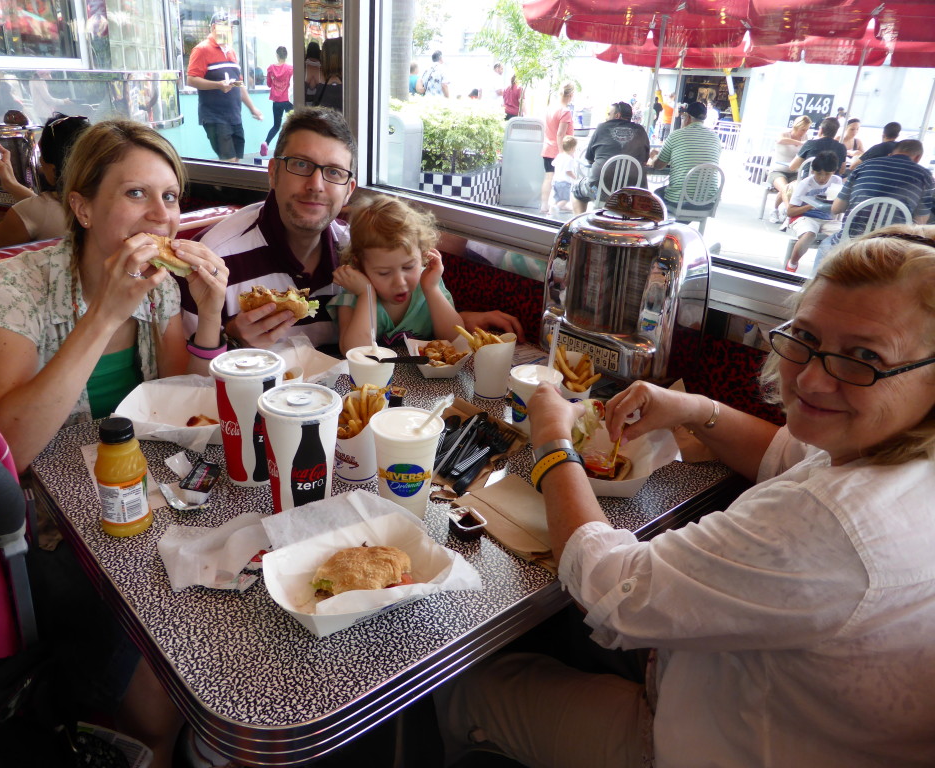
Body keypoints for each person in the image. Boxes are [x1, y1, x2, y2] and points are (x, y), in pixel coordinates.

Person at [443, 224, 935, 767]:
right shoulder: (895, 450)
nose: (813, 381)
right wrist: (697, 410)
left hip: (713, 743)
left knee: (463, 683)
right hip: (746, 684)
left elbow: (607, 588)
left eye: (863, 357)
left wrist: (553, 443)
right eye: (808, 340)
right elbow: (784, 451)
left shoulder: (831, 527)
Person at [0, 119, 228, 767]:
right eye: (137, 194)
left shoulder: (162, 288)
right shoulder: (12, 290)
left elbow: (178, 409)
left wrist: (211, 315)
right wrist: (106, 310)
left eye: (170, 197)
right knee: (159, 713)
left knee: (236, 630)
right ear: (81, 206)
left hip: (150, 505)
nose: (161, 215)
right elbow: (8, 449)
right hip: (45, 530)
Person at [185, 106, 523, 350]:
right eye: (301, 165)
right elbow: (180, 379)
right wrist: (231, 340)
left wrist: (461, 317)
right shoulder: (214, 261)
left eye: (333, 172)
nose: (316, 184)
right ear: (273, 172)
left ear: (348, 189)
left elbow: (396, 310)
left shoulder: (359, 250)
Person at [330, 195, 462, 352]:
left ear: (423, 256)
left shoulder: (429, 283)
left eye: (408, 267)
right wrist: (367, 294)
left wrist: (431, 289)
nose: (400, 282)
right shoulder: (353, 295)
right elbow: (353, 352)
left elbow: (457, 340)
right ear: (361, 266)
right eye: (384, 273)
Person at [0, 114, 90, 249]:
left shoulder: (38, 212)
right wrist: (10, 183)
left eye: (41, 154)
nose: (40, 161)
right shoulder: (95, 197)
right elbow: (45, 210)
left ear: (54, 170)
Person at [815, 139, 933, 264]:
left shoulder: (864, 166)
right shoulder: (925, 176)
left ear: (892, 153)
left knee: (825, 245)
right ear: (918, 158)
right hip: (890, 248)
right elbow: (920, 223)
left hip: (851, 242)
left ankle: (814, 281)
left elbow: (836, 208)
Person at [186, 13, 263, 163]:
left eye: (232, 28)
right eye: (227, 27)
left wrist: (252, 108)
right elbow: (191, 79)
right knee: (229, 161)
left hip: (235, 116)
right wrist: (217, 85)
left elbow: (238, 84)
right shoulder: (202, 49)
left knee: (236, 161)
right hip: (214, 117)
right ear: (214, 27)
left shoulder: (231, 52)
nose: (230, 31)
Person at [571, 101, 649, 214]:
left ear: (617, 115)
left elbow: (590, 159)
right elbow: (644, 160)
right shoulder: (641, 131)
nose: (607, 117)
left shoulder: (602, 128)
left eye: (609, 114)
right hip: (632, 195)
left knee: (576, 189)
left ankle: (579, 225)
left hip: (599, 192)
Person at [648, 101, 721, 214]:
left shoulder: (676, 135)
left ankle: (665, 229)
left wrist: (654, 157)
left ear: (687, 117)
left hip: (680, 201)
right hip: (708, 201)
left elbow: (659, 166)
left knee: (657, 195)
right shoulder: (716, 138)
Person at [783, 150, 842, 273]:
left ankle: (830, 270)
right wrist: (811, 205)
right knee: (809, 233)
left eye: (827, 174)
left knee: (842, 237)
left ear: (833, 172)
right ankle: (793, 263)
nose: (822, 177)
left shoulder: (836, 181)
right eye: (819, 173)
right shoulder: (805, 184)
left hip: (827, 218)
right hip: (804, 217)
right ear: (813, 171)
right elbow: (790, 211)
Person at [767, 115, 811, 223]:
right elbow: (780, 140)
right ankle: (782, 210)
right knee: (786, 188)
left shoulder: (805, 137)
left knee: (797, 188)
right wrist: (800, 143)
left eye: (806, 130)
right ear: (796, 127)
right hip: (778, 170)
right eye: (803, 130)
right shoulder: (784, 134)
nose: (804, 132)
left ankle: (786, 211)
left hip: (795, 172)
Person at [540, 82, 575, 214]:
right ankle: (559, 204)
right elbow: (560, 134)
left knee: (549, 177)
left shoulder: (551, 108)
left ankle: (544, 206)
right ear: (571, 95)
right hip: (560, 150)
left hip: (547, 148)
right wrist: (562, 154)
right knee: (564, 179)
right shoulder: (565, 111)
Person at [261, 45, 294, 156]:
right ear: (286, 56)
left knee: (276, 126)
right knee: (293, 124)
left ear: (277, 55)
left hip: (276, 102)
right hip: (288, 101)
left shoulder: (271, 68)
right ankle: (289, 149)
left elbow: (269, 84)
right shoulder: (290, 69)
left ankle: (266, 143)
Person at [551, 135, 579, 213]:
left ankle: (559, 206)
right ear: (572, 149)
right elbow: (568, 171)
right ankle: (556, 207)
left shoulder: (560, 155)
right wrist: (575, 177)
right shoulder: (569, 159)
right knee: (565, 199)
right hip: (564, 182)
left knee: (558, 197)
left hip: (556, 181)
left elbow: (553, 164)